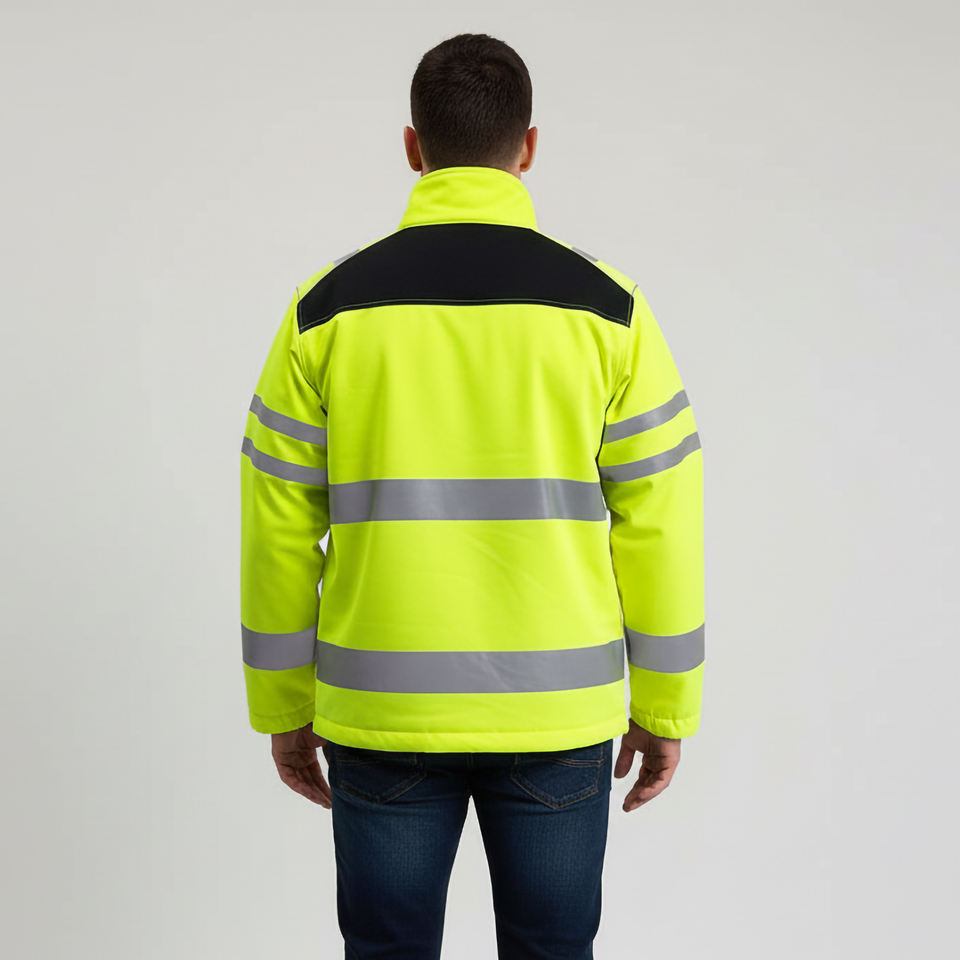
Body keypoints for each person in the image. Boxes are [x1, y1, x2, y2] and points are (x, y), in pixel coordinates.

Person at [240, 32, 705, 960]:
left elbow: (277, 524)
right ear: (527, 147)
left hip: (383, 712)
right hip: (556, 715)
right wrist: (665, 705)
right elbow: (661, 519)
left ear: (413, 147)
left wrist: (283, 706)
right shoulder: (610, 311)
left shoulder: (324, 312)